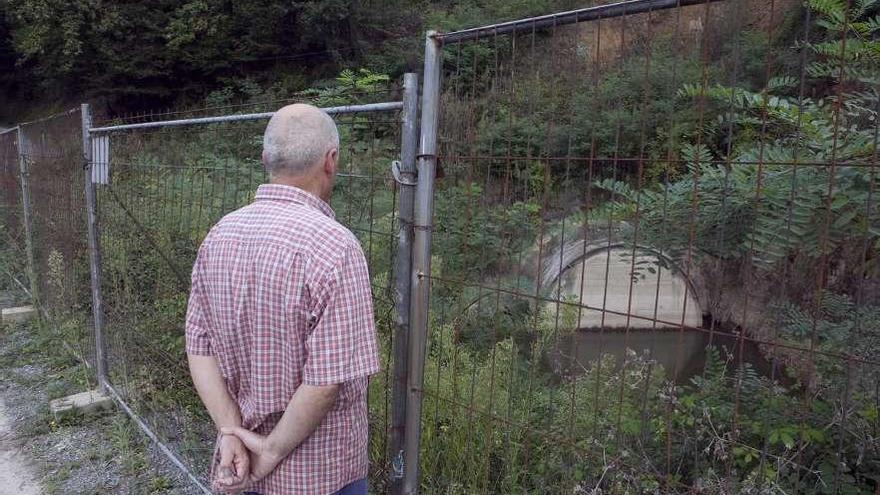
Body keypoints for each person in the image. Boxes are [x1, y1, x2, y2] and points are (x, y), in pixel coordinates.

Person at [185, 104, 380, 495]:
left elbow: (198, 345)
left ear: (265, 160)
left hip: (237, 460)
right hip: (321, 475)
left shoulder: (220, 235)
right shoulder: (336, 247)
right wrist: (271, 450)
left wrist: (231, 431)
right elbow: (325, 381)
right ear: (331, 160)